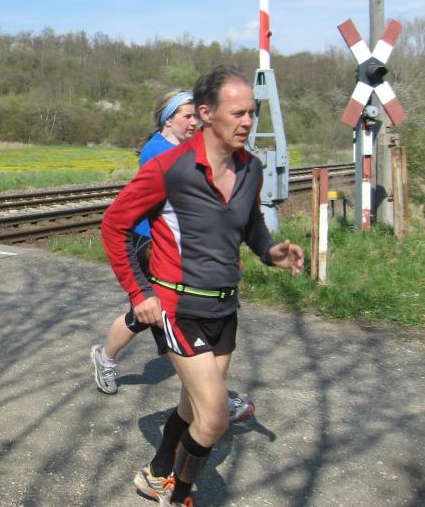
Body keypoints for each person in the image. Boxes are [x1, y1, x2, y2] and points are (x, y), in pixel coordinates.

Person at [101, 66, 304, 506]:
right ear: (207, 113)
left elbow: (251, 225)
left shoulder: (251, 168)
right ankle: (179, 496)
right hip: (178, 307)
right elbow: (114, 225)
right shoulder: (169, 168)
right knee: (214, 418)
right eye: (238, 113)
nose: (247, 122)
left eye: (251, 113)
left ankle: (156, 474)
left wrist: (271, 251)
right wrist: (140, 293)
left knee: (192, 407)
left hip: (224, 308)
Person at [91, 89, 255, 423]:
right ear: (169, 119)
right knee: (165, 319)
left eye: (197, 116)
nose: (195, 122)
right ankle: (212, 400)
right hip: (150, 243)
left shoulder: (186, 147)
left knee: (156, 318)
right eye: (187, 116)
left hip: (180, 251)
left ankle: (106, 358)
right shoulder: (157, 151)